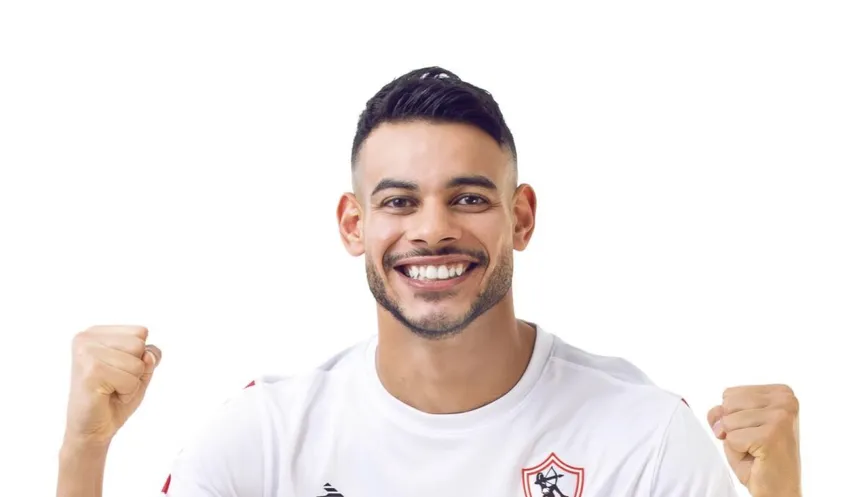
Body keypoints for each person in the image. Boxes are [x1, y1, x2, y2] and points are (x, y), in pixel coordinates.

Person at [57, 67, 802, 497]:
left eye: (469, 198)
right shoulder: (267, 435)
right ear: (354, 224)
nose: (433, 229)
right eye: (399, 202)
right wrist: (83, 450)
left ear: (521, 217)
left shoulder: (641, 434)